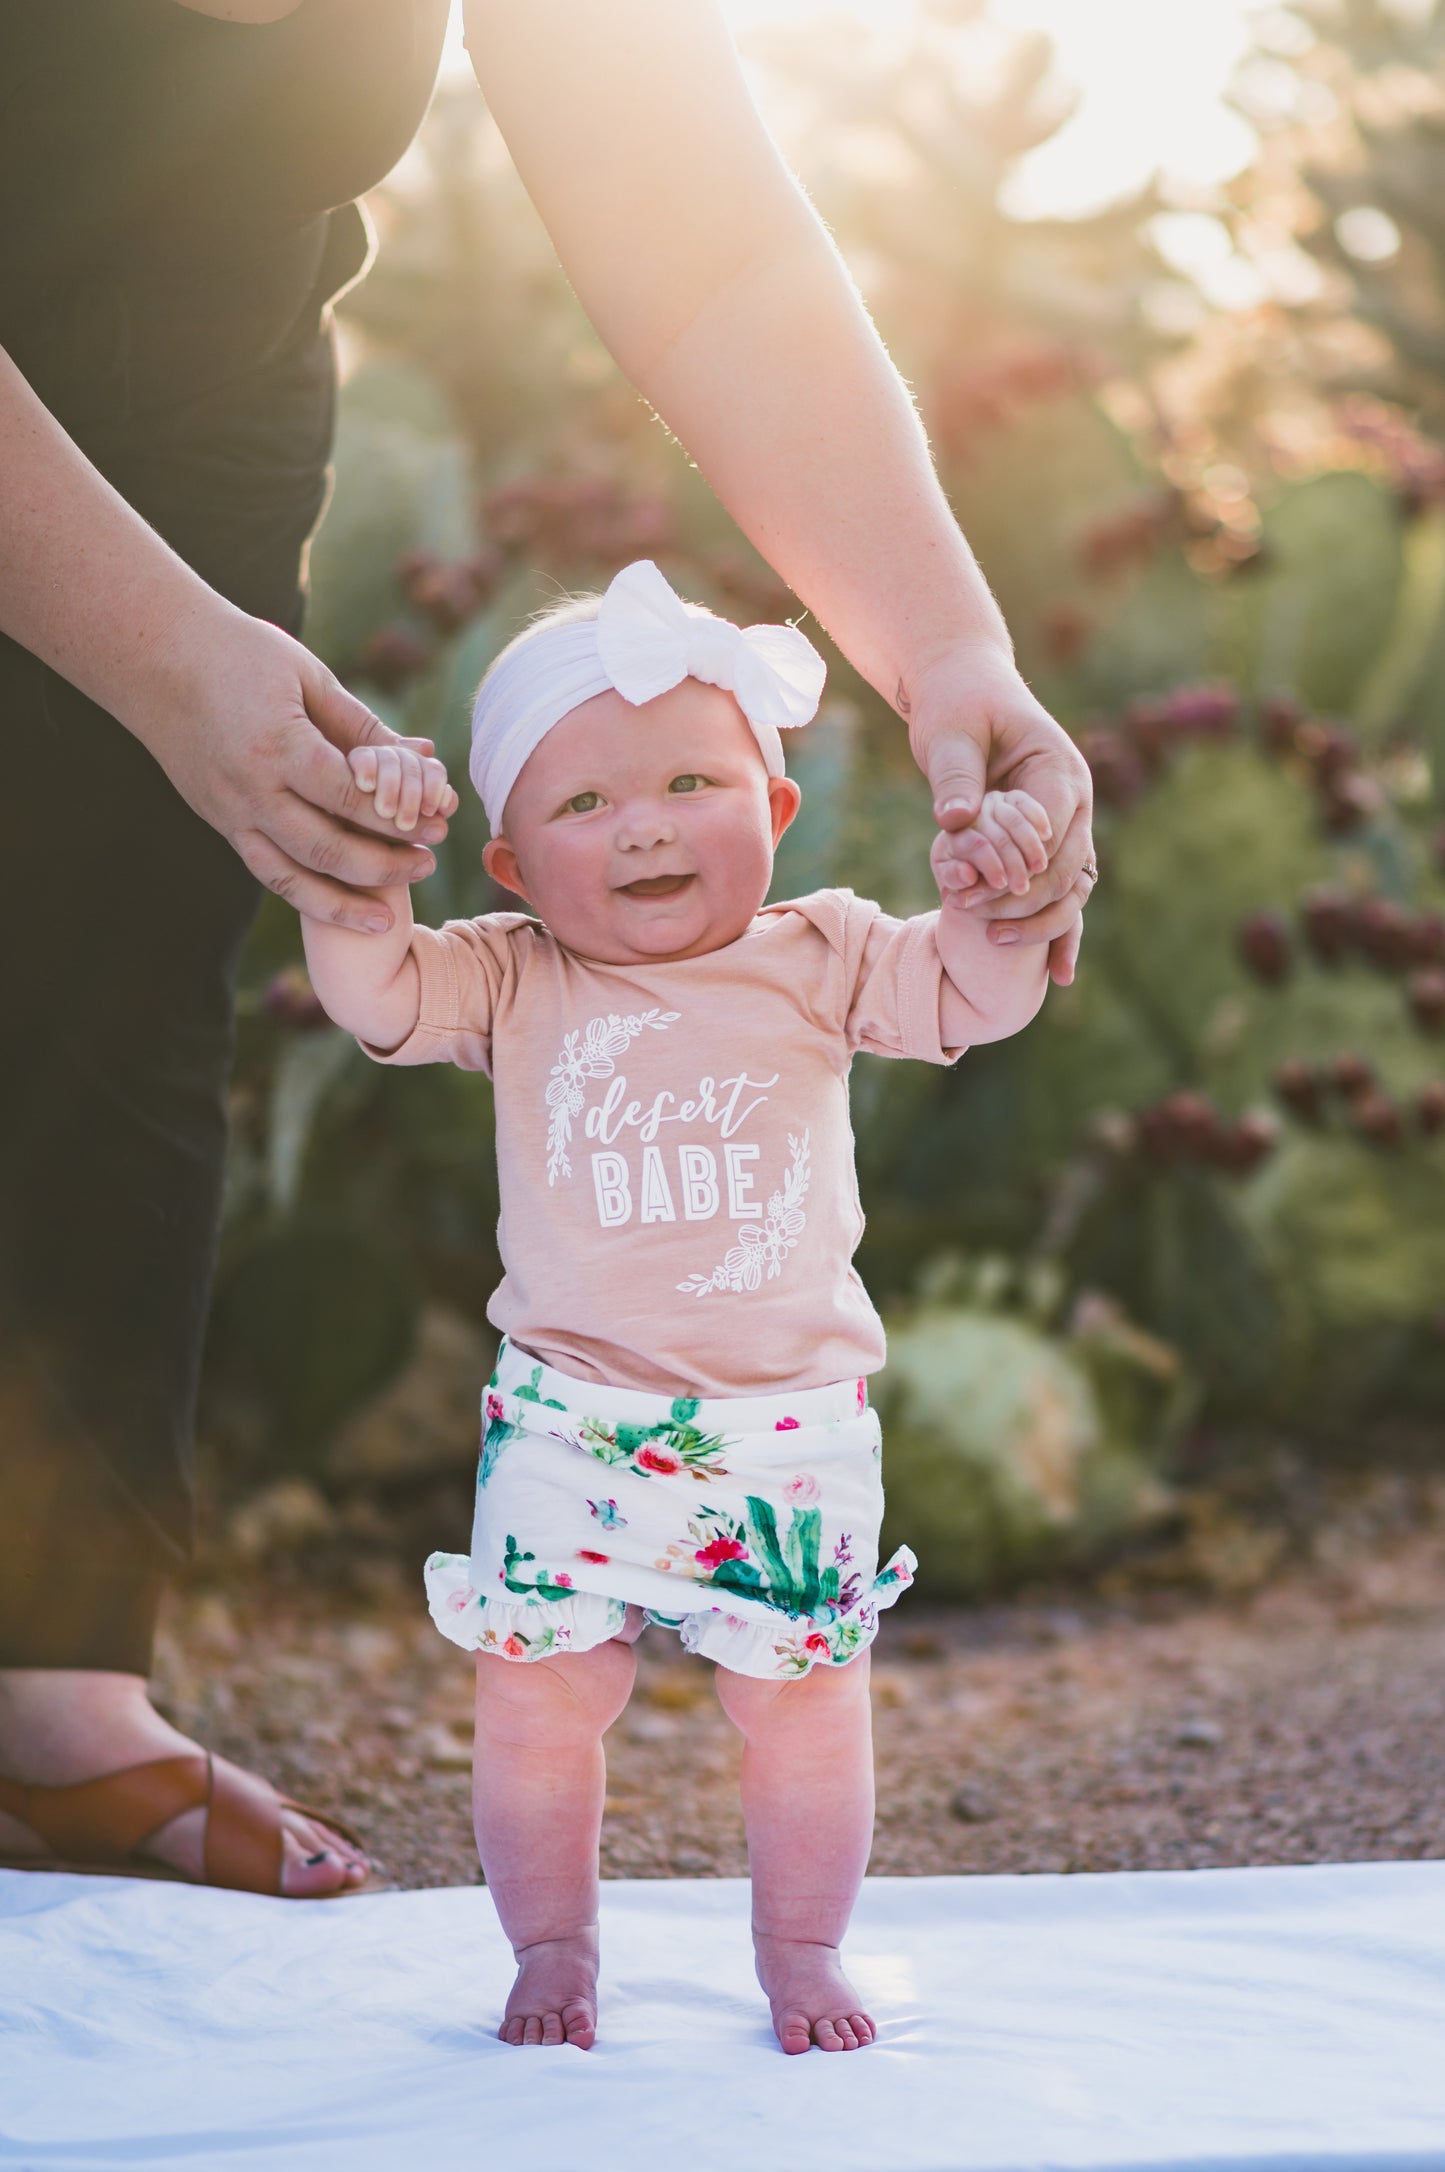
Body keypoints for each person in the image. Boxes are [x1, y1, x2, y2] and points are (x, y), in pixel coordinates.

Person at [0, 1, 1093, 1900]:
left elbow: (714, 244)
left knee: (127, 925)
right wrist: (168, 660)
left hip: (196, 367)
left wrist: (948, 656)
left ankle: (43, 1700)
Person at [299, 558, 1081, 2050]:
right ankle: (549, 1948)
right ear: (514, 866)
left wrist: (991, 899)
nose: (643, 823)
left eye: (685, 783)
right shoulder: (510, 977)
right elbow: (374, 999)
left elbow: (977, 1002)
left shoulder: (826, 953)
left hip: (783, 1430)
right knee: (537, 1707)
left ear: (775, 814)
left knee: (799, 1714)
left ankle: (799, 1951)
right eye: (583, 808)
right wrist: (370, 879)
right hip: (569, 1421)